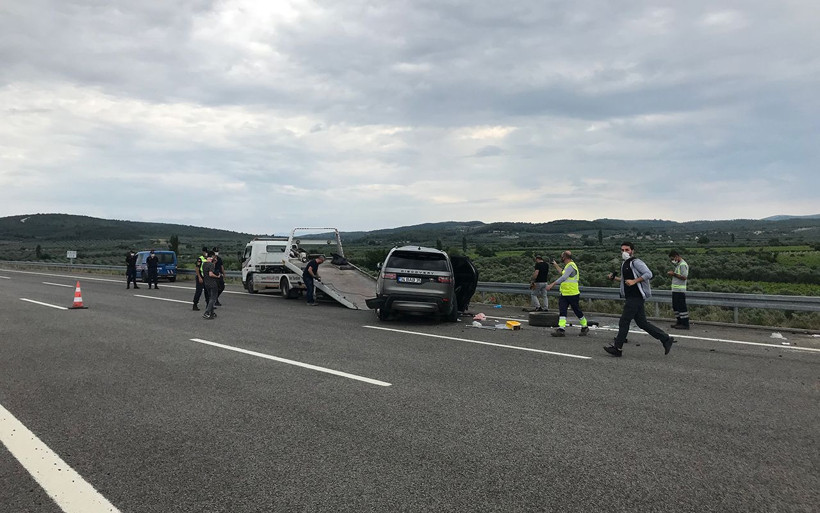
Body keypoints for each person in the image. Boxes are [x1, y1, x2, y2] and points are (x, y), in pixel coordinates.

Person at [604, 242, 675, 357]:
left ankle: (618, 348)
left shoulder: (636, 262)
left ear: (632, 251)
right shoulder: (625, 264)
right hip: (631, 296)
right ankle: (665, 339)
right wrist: (614, 278)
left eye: (627, 250)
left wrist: (634, 281)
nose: (624, 252)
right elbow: (626, 279)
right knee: (642, 323)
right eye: (622, 250)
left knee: (624, 321)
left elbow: (648, 274)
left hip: (636, 296)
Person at [546, 251, 589, 337]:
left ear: (565, 257)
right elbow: (562, 272)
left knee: (577, 311)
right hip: (565, 293)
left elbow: (564, 277)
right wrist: (555, 265)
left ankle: (585, 326)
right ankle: (561, 329)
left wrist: (552, 284)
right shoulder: (568, 266)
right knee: (562, 311)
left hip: (572, 293)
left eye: (562, 256)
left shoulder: (571, 266)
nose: (561, 258)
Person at [668, 250, 690, 329]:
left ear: (676, 256)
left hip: (680, 291)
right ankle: (679, 321)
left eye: (672, 258)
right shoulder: (678, 265)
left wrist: (673, 274)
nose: (672, 260)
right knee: (676, 307)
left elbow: (684, 277)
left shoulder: (683, 265)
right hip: (675, 290)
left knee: (681, 307)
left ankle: (685, 324)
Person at [202, 251, 221, 319]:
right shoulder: (211, 265)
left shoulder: (204, 264)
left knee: (210, 298)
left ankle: (212, 312)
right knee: (213, 298)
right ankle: (206, 312)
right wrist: (217, 276)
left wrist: (214, 263)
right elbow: (211, 274)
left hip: (206, 283)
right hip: (212, 283)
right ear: (212, 256)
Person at [192, 246, 209, 311]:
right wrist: (199, 277)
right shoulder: (200, 259)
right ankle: (195, 304)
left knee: (207, 292)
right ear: (203, 252)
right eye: (205, 252)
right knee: (198, 291)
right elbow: (197, 268)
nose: (205, 253)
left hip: (206, 277)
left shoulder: (208, 259)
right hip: (200, 277)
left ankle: (208, 305)